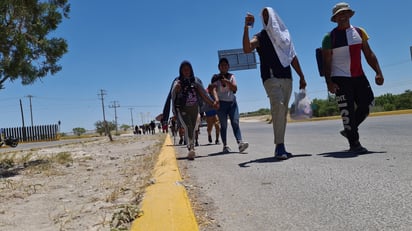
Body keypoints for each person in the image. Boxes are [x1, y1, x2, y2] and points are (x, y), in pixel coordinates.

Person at [243, 7, 307, 160]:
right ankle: (279, 146)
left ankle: (281, 144)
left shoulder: (285, 37)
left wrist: (302, 77)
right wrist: (246, 27)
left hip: (287, 78)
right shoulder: (261, 36)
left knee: (282, 113)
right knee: (278, 106)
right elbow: (247, 49)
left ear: (274, 17)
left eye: (267, 15)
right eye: (263, 16)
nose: (265, 18)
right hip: (271, 79)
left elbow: (292, 57)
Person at [321, 2, 384, 153]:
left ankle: (350, 130)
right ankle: (354, 143)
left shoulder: (359, 32)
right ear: (335, 19)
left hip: (359, 76)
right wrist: (329, 82)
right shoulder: (329, 37)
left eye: (345, 13)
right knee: (347, 111)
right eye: (339, 15)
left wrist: (378, 72)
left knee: (368, 103)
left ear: (349, 15)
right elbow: (326, 62)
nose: (342, 16)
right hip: (340, 78)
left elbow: (369, 54)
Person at [158, 61, 219, 160]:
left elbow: (203, 94)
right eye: (184, 69)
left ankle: (191, 147)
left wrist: (212, 103)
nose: (186, 71)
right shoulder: (177, 82)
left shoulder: (195, 81)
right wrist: (177, 89)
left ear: (191, 70)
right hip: (182, 109)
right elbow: (173, 95)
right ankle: (191, 147)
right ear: (181, 71)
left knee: (193, 127)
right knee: (188, 126)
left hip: (194, 108)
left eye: (188, 69)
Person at [211, 58, 248, 154]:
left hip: (232, 103)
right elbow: (213, 90)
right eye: (222, 65)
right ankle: (225, 145)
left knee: (235, 122)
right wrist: (216, 100)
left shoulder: (231, 76)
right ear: (219, 67)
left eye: (225, 65)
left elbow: (235, 88)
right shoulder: (215, 78)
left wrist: (227, 82)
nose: (224, 66)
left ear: (228, 67)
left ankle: (240, 143)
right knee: (223, 125)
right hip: (221, 104)